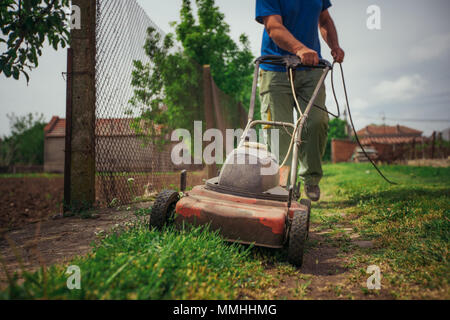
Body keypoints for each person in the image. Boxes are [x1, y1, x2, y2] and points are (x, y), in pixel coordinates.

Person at [256, 0, 345, 201]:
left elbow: (324, 20)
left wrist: (335, 45)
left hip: (311, 70)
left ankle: (311, 178)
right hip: (276, 70)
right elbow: (273, 26)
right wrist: (300, 49)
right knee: (280, 131)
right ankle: (284, 188)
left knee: (316, 122)